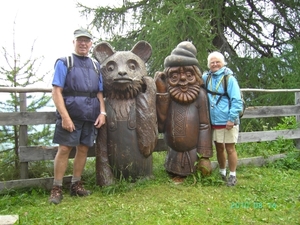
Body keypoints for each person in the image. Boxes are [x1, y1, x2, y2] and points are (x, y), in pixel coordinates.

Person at [49, 28, 106, 204]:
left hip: (91, 114)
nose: (83, 43)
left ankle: (76, 185)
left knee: (83, 149)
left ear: (91, 44)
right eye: (80, 40)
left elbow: (99, 93)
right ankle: (56, 188)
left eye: (86, 40)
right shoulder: (65, 62)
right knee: (65, 149)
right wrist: (65, 117)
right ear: (73, 42)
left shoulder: (96, 66)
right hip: (71, 114)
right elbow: (56, 91)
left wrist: (103, 112)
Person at [202, 51, 243, 186]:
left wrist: (231, 119)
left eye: (217, 62)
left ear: (222, 63)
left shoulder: (229, 79)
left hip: (228, 120)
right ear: (209, 65)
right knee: (219, 148)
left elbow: (236, 100)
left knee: (230, 148)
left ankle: (232, 175)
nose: (215, 64)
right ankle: (222, 172)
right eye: (212, 62)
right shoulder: (206, 78)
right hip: (214, 121)